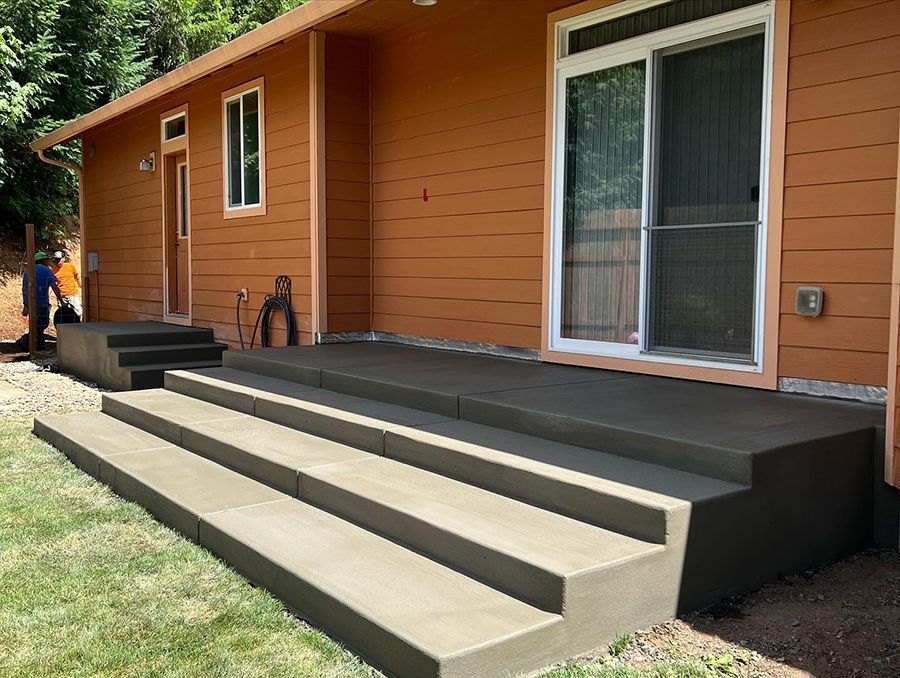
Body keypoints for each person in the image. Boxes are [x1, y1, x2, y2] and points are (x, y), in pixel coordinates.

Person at [18, 251, 63, 350]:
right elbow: (54, 287)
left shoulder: (27, 271)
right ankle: (25, 340)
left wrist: (26, 304)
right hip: (41, 302)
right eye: (47, 260)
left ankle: (39, 345)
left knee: (35, 323)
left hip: (30, 302)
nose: (48, 262)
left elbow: (24, 288)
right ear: (43, 260)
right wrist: (61, 300)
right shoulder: (46, 270)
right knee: (42, 323)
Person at [51, 250, 82, 318]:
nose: (58, 261)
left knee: (78, 313)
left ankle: (79, 326)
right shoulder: (53, 270)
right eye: (56, 259)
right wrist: (59, 297)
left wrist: (80, 285)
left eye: (59, 259)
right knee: (64, 315)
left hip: (73, 294)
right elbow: (53, 284)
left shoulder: (70, 267)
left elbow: (77, 276)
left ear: (64, 259)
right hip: (62, 296)